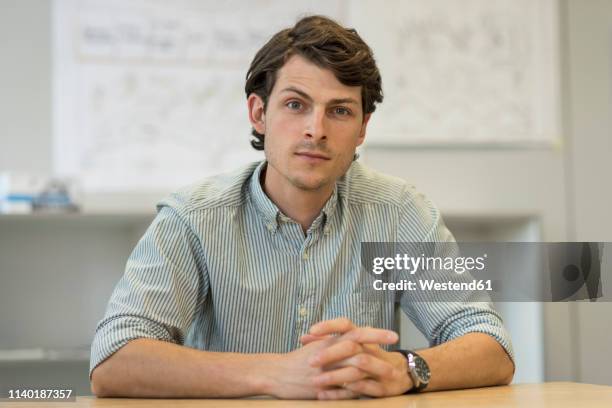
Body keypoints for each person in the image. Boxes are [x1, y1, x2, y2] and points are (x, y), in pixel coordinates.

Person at [89, 15, 514, 400]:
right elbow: (114, 361)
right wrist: (275, 374)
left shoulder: (400, 212)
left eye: (340, 111)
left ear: (362, 128)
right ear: (259, 113)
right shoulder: (193, 218)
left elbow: (491, 346)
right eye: (296, 105)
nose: (316, 130)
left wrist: (407, 369)